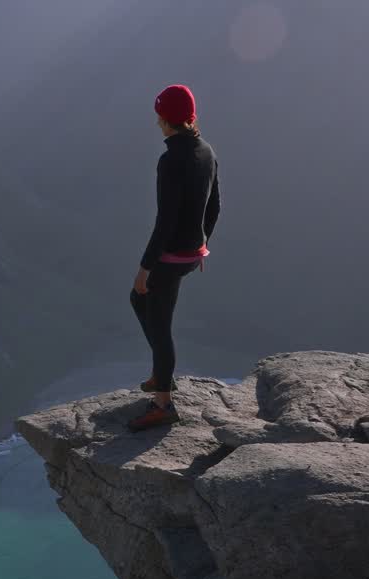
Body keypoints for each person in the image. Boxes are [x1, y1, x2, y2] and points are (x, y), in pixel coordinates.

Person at [127, 84, 221, 432]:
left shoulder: (170, 160)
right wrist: (201, 244)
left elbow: (164, 221)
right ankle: (160, 373)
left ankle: (163, 402)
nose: (157, 123)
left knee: (157, 319)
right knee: (140, 301)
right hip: (192, 252)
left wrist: (145, 267)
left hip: (169, 255)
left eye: (159, 116)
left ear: (167, 120)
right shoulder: (207, 151)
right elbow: (216, 206)